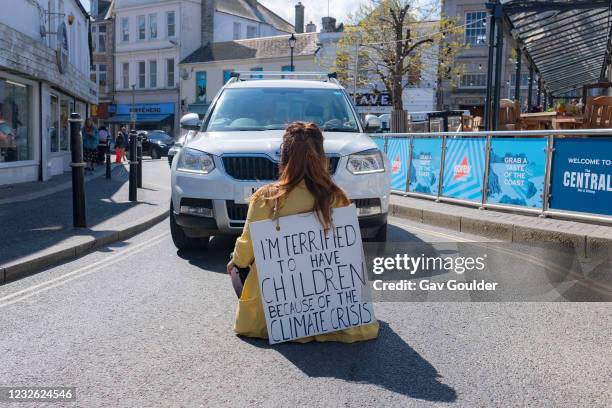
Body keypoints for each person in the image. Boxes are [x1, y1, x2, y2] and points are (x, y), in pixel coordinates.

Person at [226, 122, 379, 343]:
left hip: (276, 314)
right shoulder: (338, 197)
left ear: (285, 156)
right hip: (334, 310)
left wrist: (235, 262)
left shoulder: (267, 197)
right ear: (322, 156)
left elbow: (245, 250)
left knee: (235, 266)